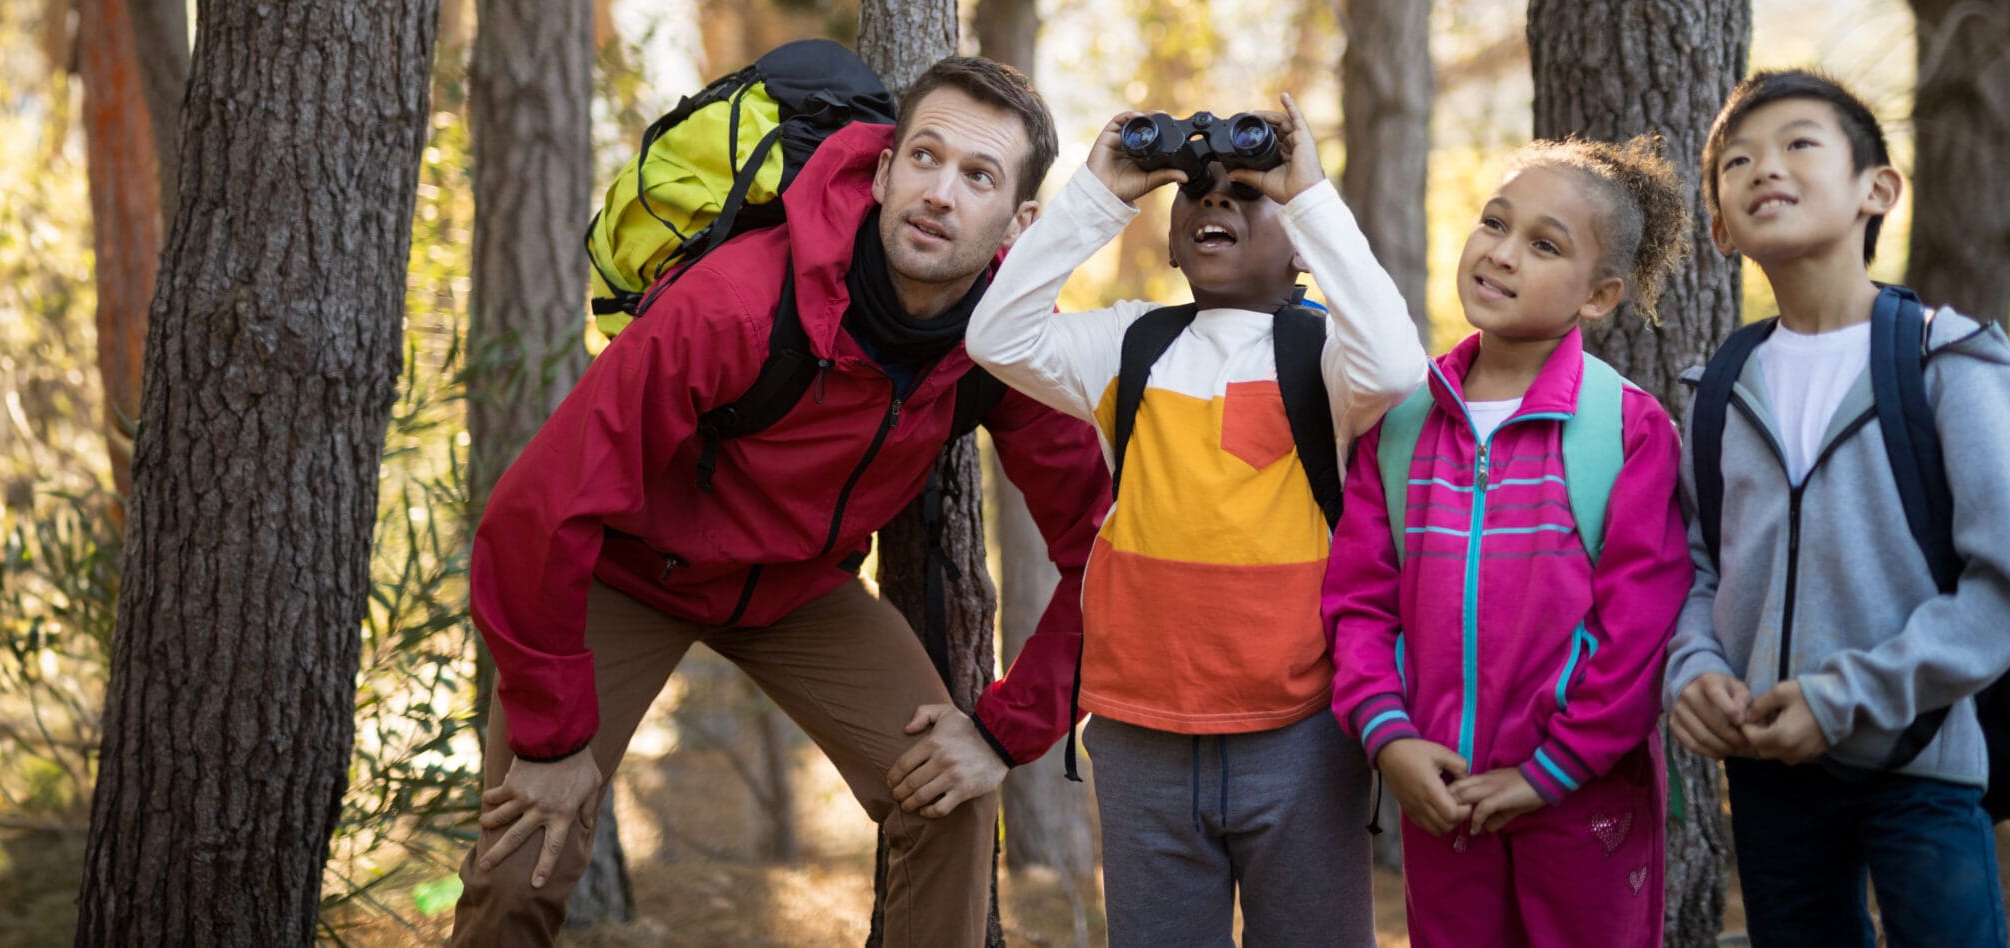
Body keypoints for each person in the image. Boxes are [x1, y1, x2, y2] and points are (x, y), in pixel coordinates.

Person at [452, 56, 1115, 947]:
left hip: (797, 591)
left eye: (978, 176)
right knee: (527, 847)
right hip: (628, 573)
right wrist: (550, 736)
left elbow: (1109, 552)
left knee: (951, 799)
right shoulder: (732, 305)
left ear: (1019, 222)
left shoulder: (1009, 347)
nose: (940, 194)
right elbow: (538, 510)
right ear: (883, 171)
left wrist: (1004, 732)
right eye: (924, 158)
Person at [965, 95, 1426, 947]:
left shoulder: (1323, 356)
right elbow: (995, 336)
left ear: (1300, 245)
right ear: (1173, 237)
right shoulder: (1128, 345)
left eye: (1250, 193)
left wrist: (1309, 194)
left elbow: (1399, 365)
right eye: (1199, 190)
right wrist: (1100, 195)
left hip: (1300, 735)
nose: (1217, 200)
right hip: (1141, 740)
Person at [1664, 69, 2010, 947]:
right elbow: (1699, 566)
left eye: (1799, 144)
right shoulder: (1715, 394)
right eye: (1738, 161)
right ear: (1721, 228)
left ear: (1877, 189)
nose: (1764, 167)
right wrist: (1691, 669)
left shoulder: (1951, 363)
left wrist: (1849, 696)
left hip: (1921, 763)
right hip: (1767, 771)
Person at [1323, 135, 1695, 948]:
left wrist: (1548, 771)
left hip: (1582, 804)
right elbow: (1357, 605)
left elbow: (1639, 632)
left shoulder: (1624, 429)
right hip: (1440, 797)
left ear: (1599, 296)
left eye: (1543, 244)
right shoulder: (1401, 425)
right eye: (1496, 223)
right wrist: (1389, 739)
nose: (1501, 253)